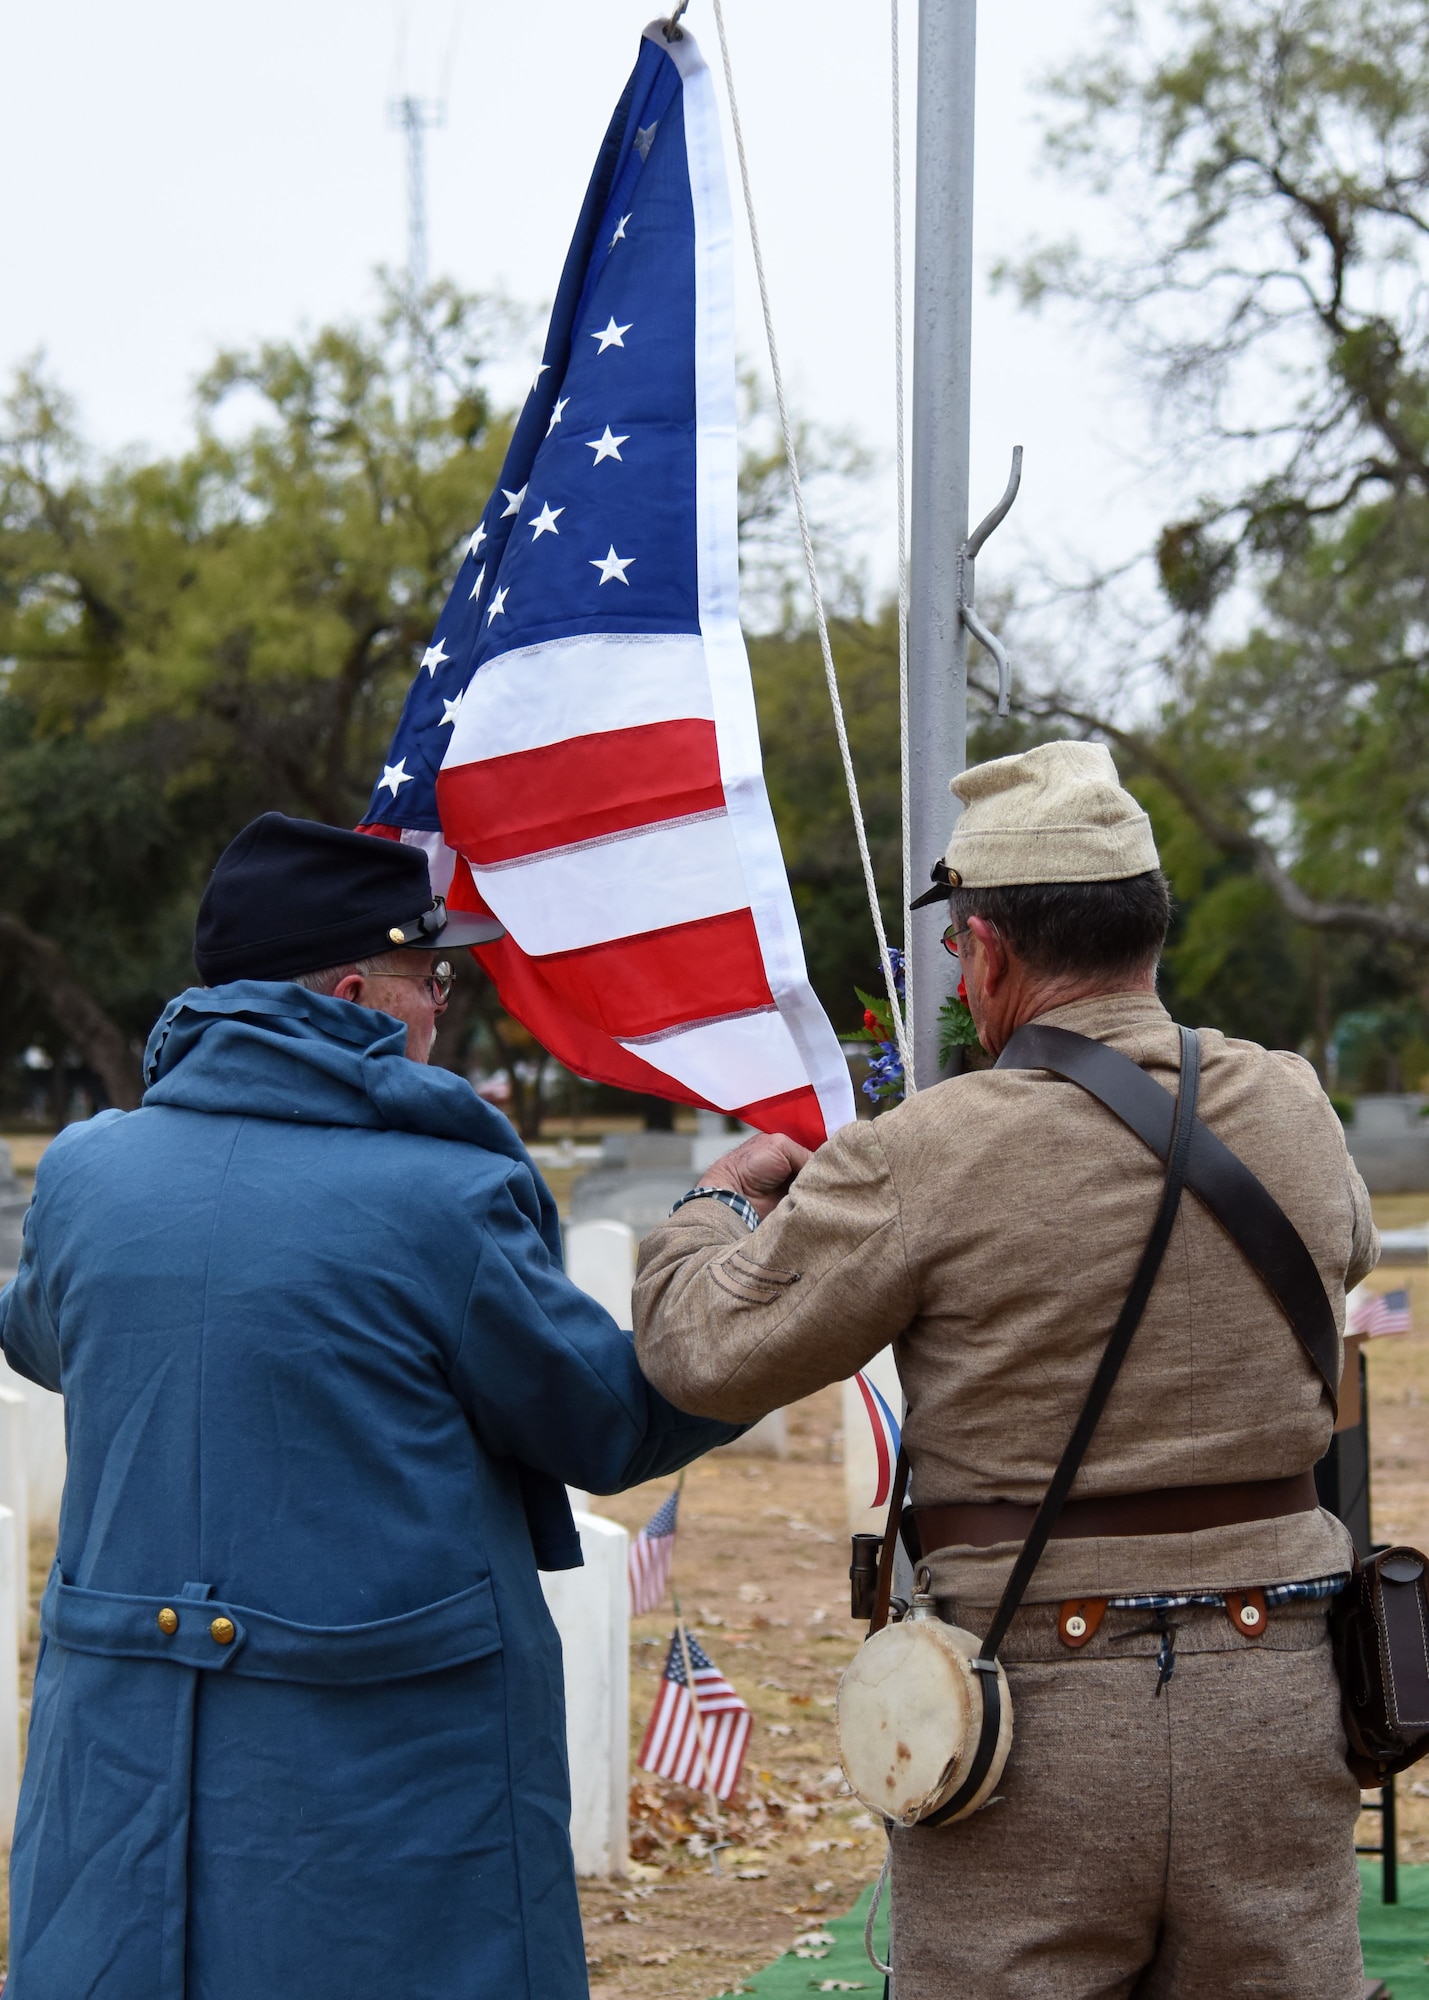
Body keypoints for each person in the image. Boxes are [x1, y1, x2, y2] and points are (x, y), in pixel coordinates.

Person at [634, 741, 1377, 2000]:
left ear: (985, 949)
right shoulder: (1292, 1102)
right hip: (1277, 1691)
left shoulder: (925, 1150)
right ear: (1146, 930)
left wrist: (715, 1200)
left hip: (1024, 1712)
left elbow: (703, 1349)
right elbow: (1349, 1250)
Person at [1, 812, 738, 2000]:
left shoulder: (90, 1175)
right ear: (359, 994)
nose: (440, 1007)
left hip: (119, 1790)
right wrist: (727, 1229)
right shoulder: (443, 1196)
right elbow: (609, 1419)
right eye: (430, 976)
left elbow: (40, 1327)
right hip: (381, 1797)